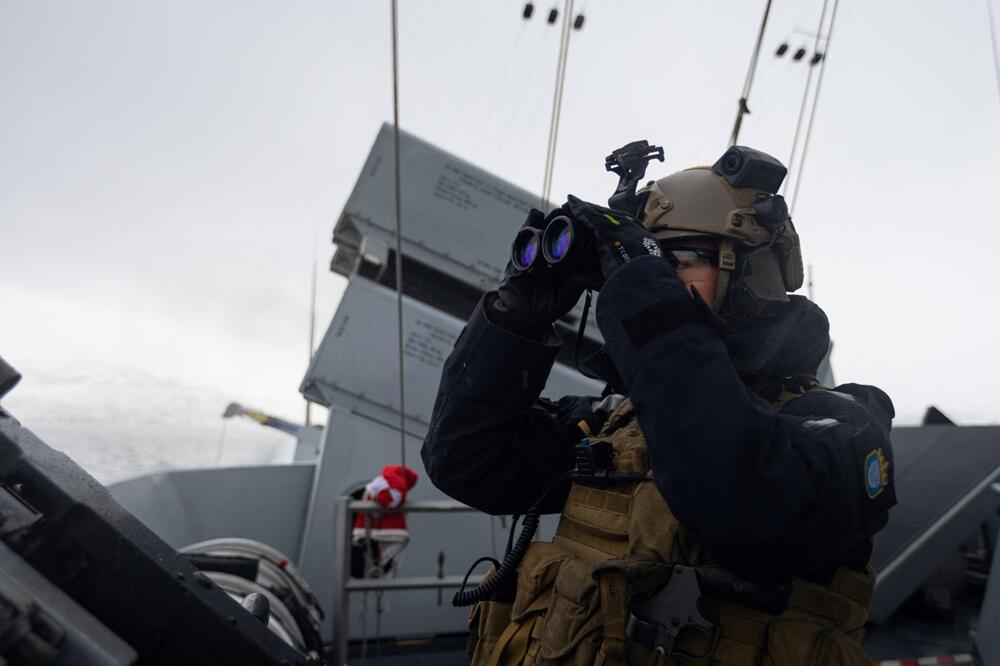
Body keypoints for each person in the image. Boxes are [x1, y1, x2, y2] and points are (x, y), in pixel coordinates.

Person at [421, 146, 895, 665]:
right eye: (657, 264)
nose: (663, 282)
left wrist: (640, 278)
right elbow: (468, 459)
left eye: (682, 262)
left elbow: (744, 506)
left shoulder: (845, 424)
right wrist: (517, 314)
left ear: (751, 273)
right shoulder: (620, 423)